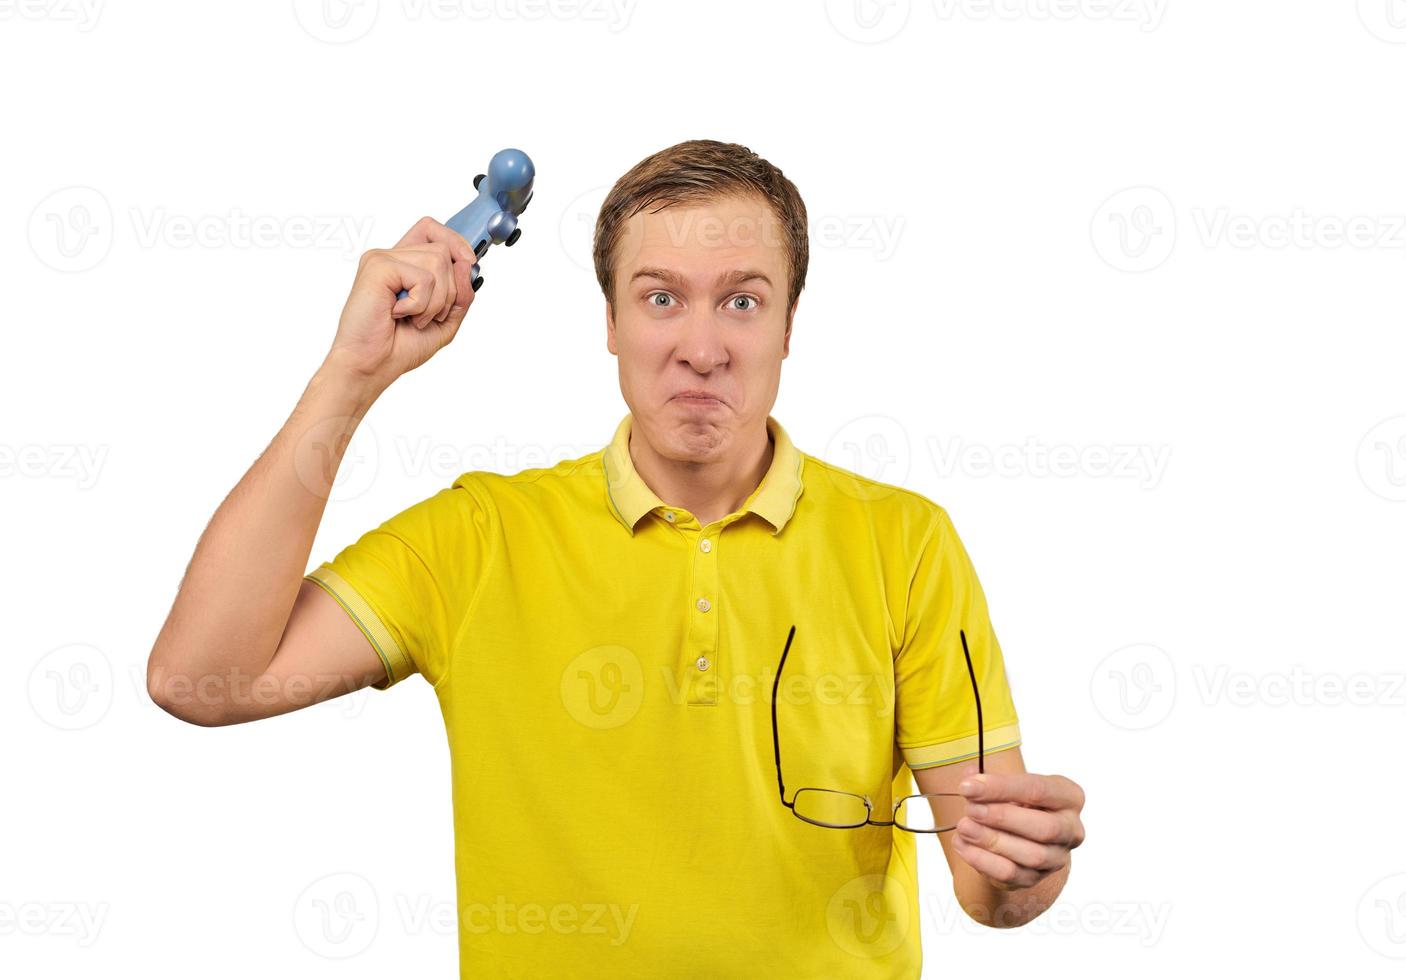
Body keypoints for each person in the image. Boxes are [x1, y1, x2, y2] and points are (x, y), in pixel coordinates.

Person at [147, 139, 1086, 978]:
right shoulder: (481, 536)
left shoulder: (905, 542)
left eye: (744, 301)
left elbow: (989, 885)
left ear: (791, 327)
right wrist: (350, 375)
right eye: (662, 298)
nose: (702, 347)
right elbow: (202, 681)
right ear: (610, 322)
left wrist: (1024, 874)